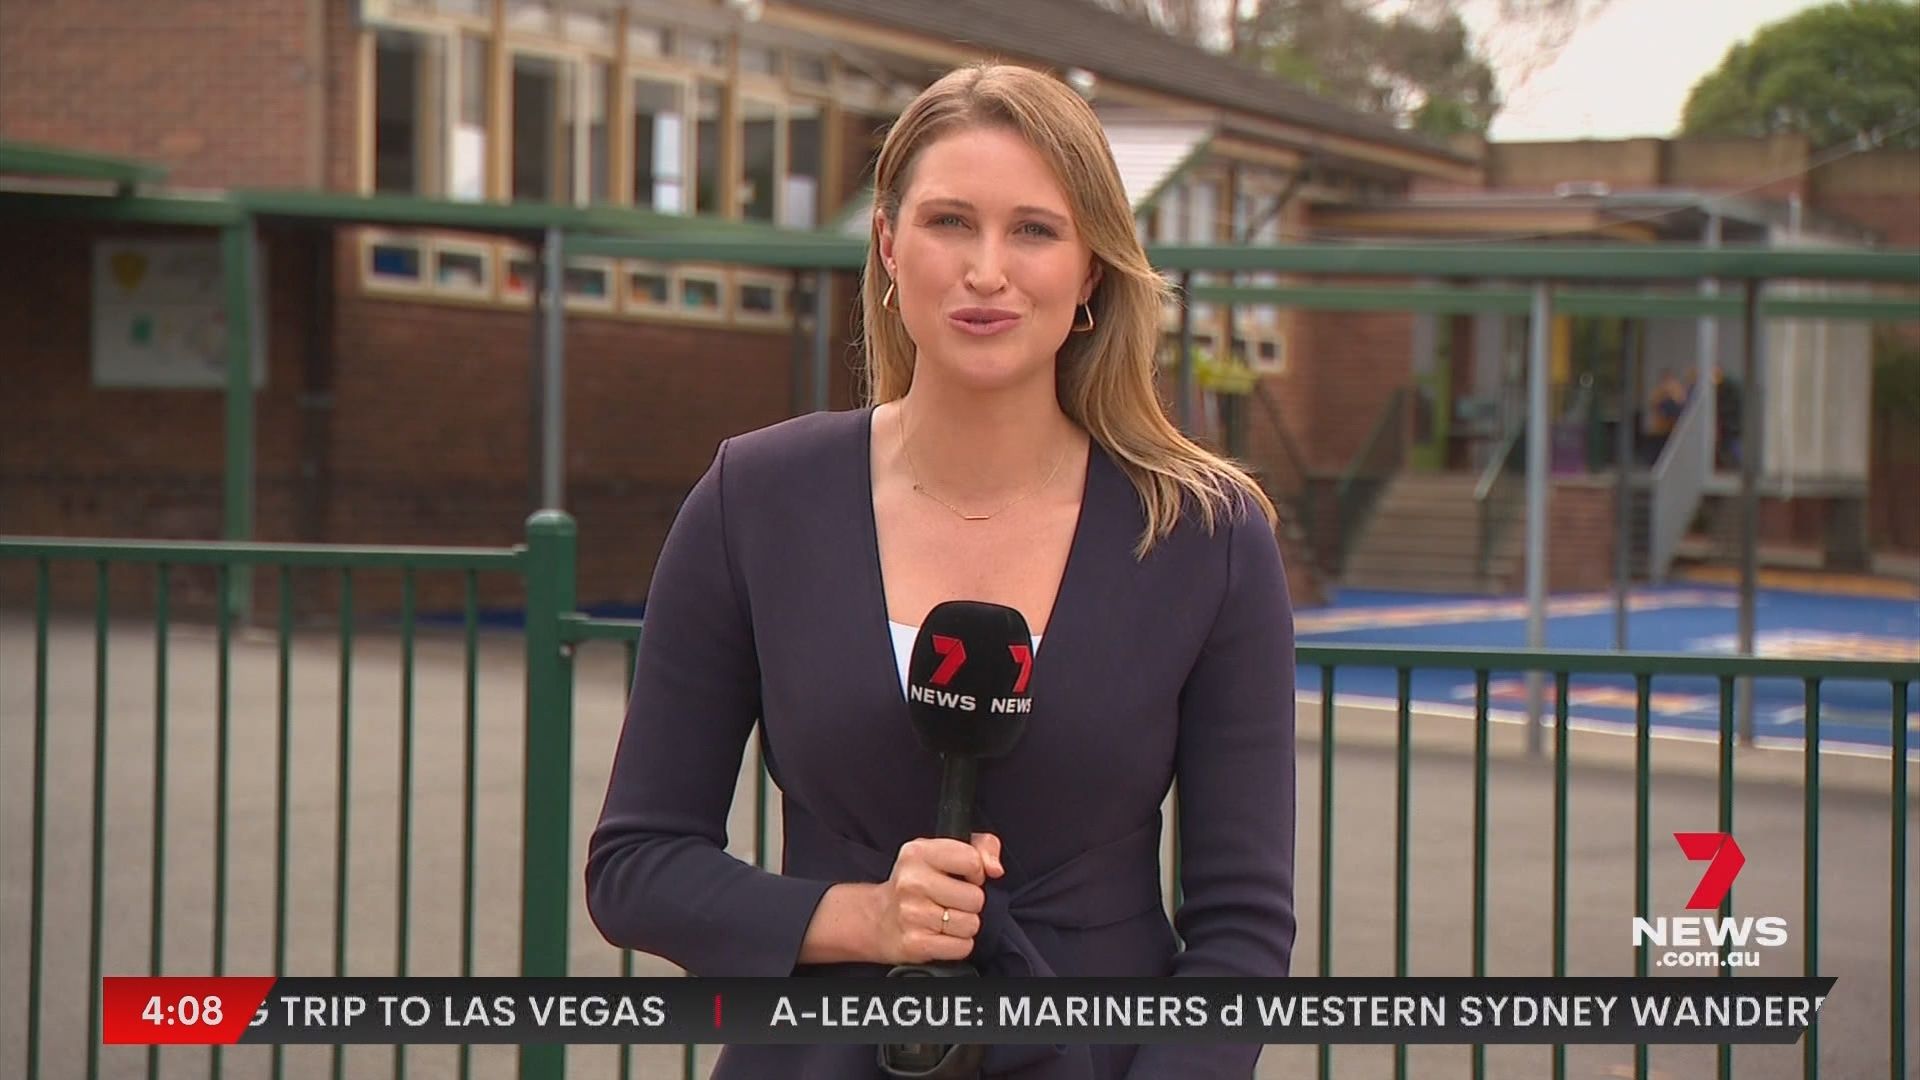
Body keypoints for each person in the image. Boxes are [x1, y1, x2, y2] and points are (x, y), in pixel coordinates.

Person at [585, 62, 1297, 1079]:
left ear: (1091, 271)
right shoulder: (757, 500)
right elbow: (637, 866)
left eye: (1035, 231)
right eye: (950, 223)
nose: (987, 271)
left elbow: (1243, 930)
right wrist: (861, 918)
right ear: (888, 245)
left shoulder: (1206, 537)